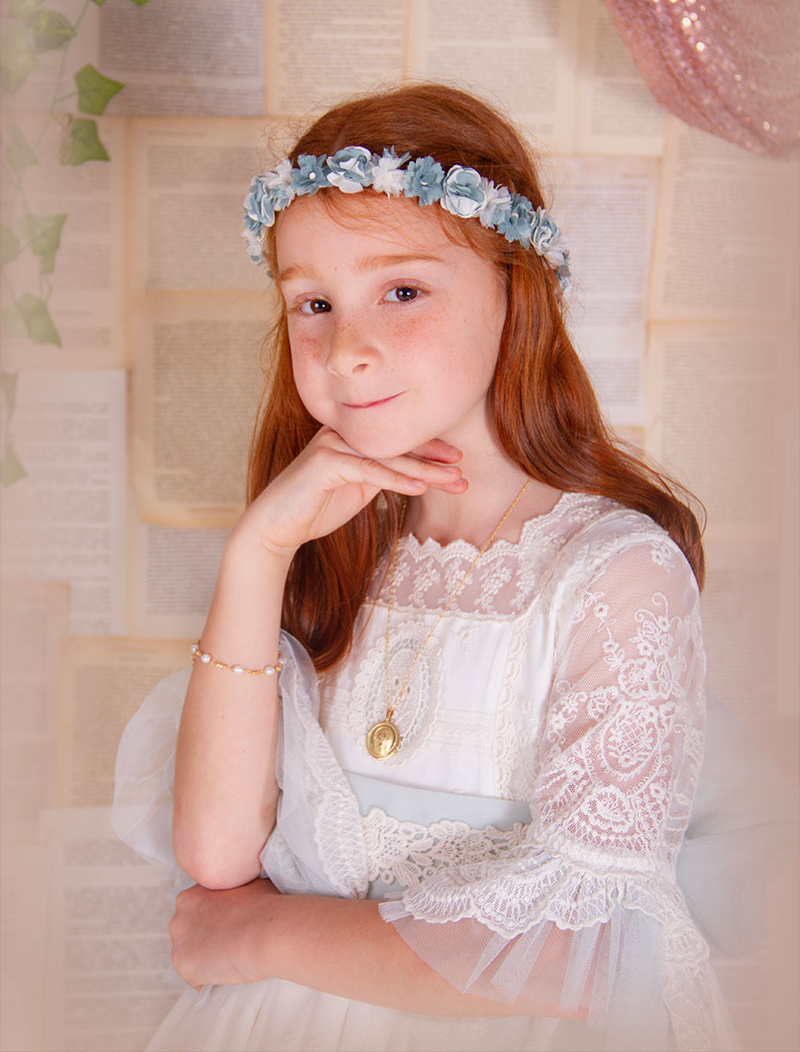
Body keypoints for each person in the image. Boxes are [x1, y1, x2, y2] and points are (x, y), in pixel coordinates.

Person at [113, 83, 741, 1052]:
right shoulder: (336, 551)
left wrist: (263, 934)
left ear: (514, 291)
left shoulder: (613, 574)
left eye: (401, 292)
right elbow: (217, 852)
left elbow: (577, 953)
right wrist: (257, 555)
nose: (347, 350)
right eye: (313, 304)